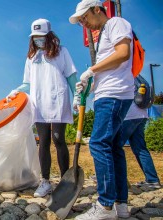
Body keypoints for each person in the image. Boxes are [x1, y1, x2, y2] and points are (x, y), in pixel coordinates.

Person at [69, 0, 135, 219]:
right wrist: (88, 84)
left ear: (97, 9)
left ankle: (105, 206)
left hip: (114, 94)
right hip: (108, 93)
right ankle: (120, 206)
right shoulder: (104, 32)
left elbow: (123, 53)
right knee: (114, 147)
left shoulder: (116, 22)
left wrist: (91, 69)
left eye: (84, 18)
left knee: (98, 143)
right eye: (80, 23)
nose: (84, 24)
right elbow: (109, 66)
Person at [6, 18, 79, 198]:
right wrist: (16, 91)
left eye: (41, 36)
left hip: (58, 101)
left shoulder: (62, 52)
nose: (38, 39)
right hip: (39, 104)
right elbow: (27, 83)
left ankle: (65, 181)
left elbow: (71, 77)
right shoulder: (32, 58)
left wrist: (77, 96)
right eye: (35, 37)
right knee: (43, 141)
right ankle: (45, 181)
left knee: (59, 140)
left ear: (49, 36)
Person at [122, 102, 161, 189]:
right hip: (140, 114)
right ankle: (152, 180)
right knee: (140, 148)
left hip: (128, 115)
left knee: (111, 147)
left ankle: (105, 176)